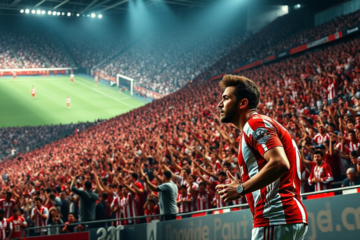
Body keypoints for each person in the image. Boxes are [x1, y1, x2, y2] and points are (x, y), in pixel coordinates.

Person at [216, 75, 308, 240]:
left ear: (243, 103)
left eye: (226, 98)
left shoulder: (255, 124)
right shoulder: (259, 125)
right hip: (285, 216)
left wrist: (241, 188)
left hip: (275, 217)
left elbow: (279, 163)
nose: (219, 104)